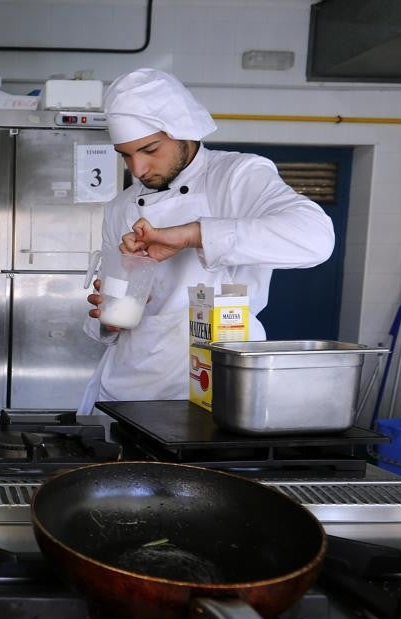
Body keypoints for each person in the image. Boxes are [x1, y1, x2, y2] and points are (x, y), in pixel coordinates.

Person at [80, 69, 334, 413]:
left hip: (213, 388)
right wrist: (110, 319)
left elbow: (316, 238)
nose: (138, 168)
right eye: (125, 155)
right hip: (126, 389)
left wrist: (192, 235)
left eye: (150, 149)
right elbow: (115, 319)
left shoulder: (236, 177)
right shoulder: (121, 207)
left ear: (183, 129)